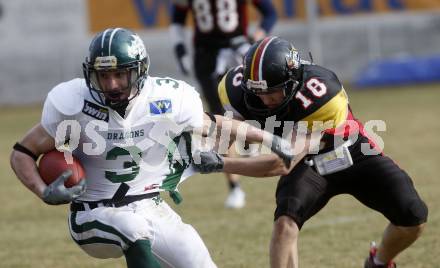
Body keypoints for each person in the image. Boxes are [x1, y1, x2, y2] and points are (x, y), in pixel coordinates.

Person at [9, 28, 297, 268]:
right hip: (91, 213)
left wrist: (268, 137)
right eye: (103, 75)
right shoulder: (72, 103)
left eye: (120, 74)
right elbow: (22, 152)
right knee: (133, 231)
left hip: (149, 206)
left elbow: (213, 124)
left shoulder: (167, 98)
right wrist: (42, 190)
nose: (111, 84)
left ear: (139, 71)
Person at [216, 36, 428, 268]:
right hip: (310, 162)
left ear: (292, 81)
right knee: (285, 225)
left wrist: (218, 163)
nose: (264, 99)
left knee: (413, 216)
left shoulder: (323, 93)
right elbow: (229, 128)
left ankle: (378, 262)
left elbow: (280, 163)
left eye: (273, 91)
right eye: (257, 92)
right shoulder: (233, 87)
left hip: (350, 149)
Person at [169, 0, 278, 209]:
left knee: (253, 105)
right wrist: (180, 48)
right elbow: (177, 19)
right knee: (220, 120)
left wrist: (254, 38)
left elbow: (269, 13)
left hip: (237, 51)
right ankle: (234, 186)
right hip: (206, 55)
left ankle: (252, 143)